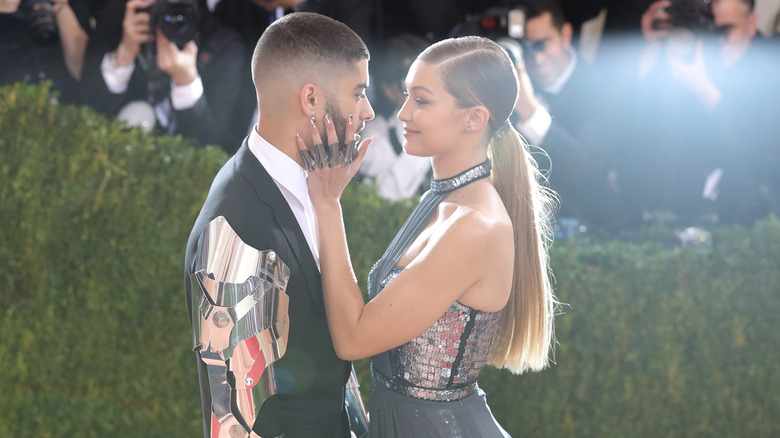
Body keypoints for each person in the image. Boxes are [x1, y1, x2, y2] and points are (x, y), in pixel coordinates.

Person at [297, 35, 557, 437]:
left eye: (421, 100)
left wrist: (328, 204)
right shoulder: (444, 198)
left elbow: (352, 339)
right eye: (406, 95)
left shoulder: (475, 226)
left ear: (474, 118)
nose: (402, 113)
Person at [184, 12, 375, 438]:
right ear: (310, 100)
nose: (368, 110)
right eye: (358, 92)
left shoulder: (311, 186)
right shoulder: (235, 231)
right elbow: (236, 417)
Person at [513, 0, 634, 233]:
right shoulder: (511, 85)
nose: (537, 59)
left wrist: (530, 111)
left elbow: (585, 166)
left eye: (542, 45)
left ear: (565, 35)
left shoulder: (605, 91)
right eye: (527, 48)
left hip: (596, 231)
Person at [81, 0, 246, 152]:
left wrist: (186, 82)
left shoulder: (225, 45)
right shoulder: (122, 17)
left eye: (180, 17)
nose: (171, 19)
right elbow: (84, 105)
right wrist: (123, 57)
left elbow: (212, 146)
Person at [357, 33, 431, 201]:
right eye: (407, 82)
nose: (420, 91)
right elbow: (385, 194)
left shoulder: (457, 122)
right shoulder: (375, 134)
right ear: (388, 89)